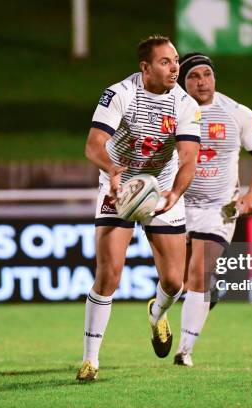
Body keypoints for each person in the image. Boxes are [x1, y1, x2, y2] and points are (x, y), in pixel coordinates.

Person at [76, 36, 202, 381]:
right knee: (108, 275)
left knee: (175, 282)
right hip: (119, 186)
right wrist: (112, 171)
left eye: (176, 60)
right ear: (145, 68)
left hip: (161, 189)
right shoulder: (120, 94)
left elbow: (189, 157)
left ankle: (157, 313)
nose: (175, 67)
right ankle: (90, 360)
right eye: (165, 62)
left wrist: (175, 192)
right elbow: (93, 145)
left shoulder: (185, 104)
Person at [173, 53, 252, 367]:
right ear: (182, 81)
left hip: (220, 207)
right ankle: (203, 295)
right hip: (176, 204)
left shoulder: (236, 113)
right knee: (175, 281)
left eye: (207, 74)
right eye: (193, 76)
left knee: (198, 274)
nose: (202, 81)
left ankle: (184, 351)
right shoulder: (170, 111)